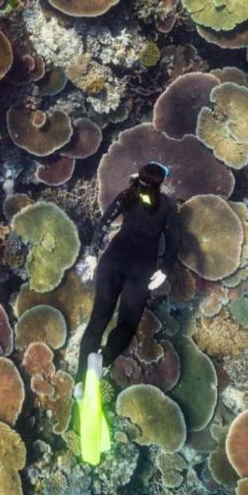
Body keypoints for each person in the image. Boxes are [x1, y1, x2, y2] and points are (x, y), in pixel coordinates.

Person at [74, 161, 181, 398]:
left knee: (97, 320)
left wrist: (92, 254)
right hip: (141, 271)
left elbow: (103, 224)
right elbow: (174, 241)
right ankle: (102, 363)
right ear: (161, 183)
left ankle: (80, 381)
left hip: (112, 262)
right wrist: (164, 268)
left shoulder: (127, 196)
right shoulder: (166, 206)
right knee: (127, 325)